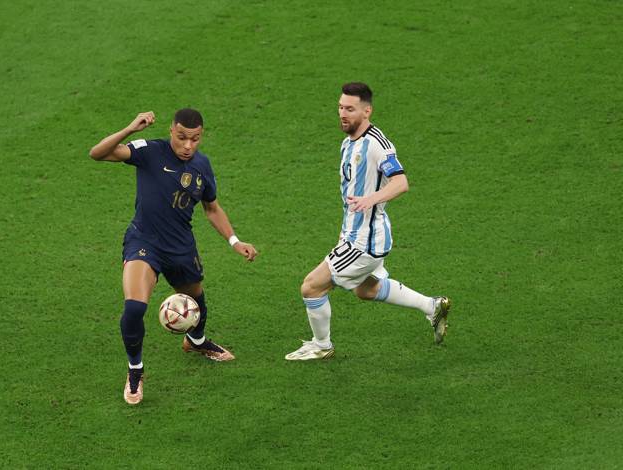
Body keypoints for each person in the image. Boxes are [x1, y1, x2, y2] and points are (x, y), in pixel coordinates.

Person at [89, 108, 258, 404]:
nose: (188, 146)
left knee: (196, 298)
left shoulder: (202, 166)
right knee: (134, 308)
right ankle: (135, 370)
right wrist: (130, 128)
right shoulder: (149, 151)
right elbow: (98, 153)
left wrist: (234, 241)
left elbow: (212, 208)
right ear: (171, 132)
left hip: (180, 245)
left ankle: (196, 341)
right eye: (181, 138)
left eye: (194, 139)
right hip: (144, 241)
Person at [285, 82, 451, 361]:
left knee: (311, 286)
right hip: (355, 234)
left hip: (366, 240)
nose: (342, 114)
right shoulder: (347, 143)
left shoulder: (377, 144)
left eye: (350, 109)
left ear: (367, 110)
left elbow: (401, 182)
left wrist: (371, 199)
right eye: (340, 107)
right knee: (366, 289)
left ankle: (321, 345)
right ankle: (432, 306)